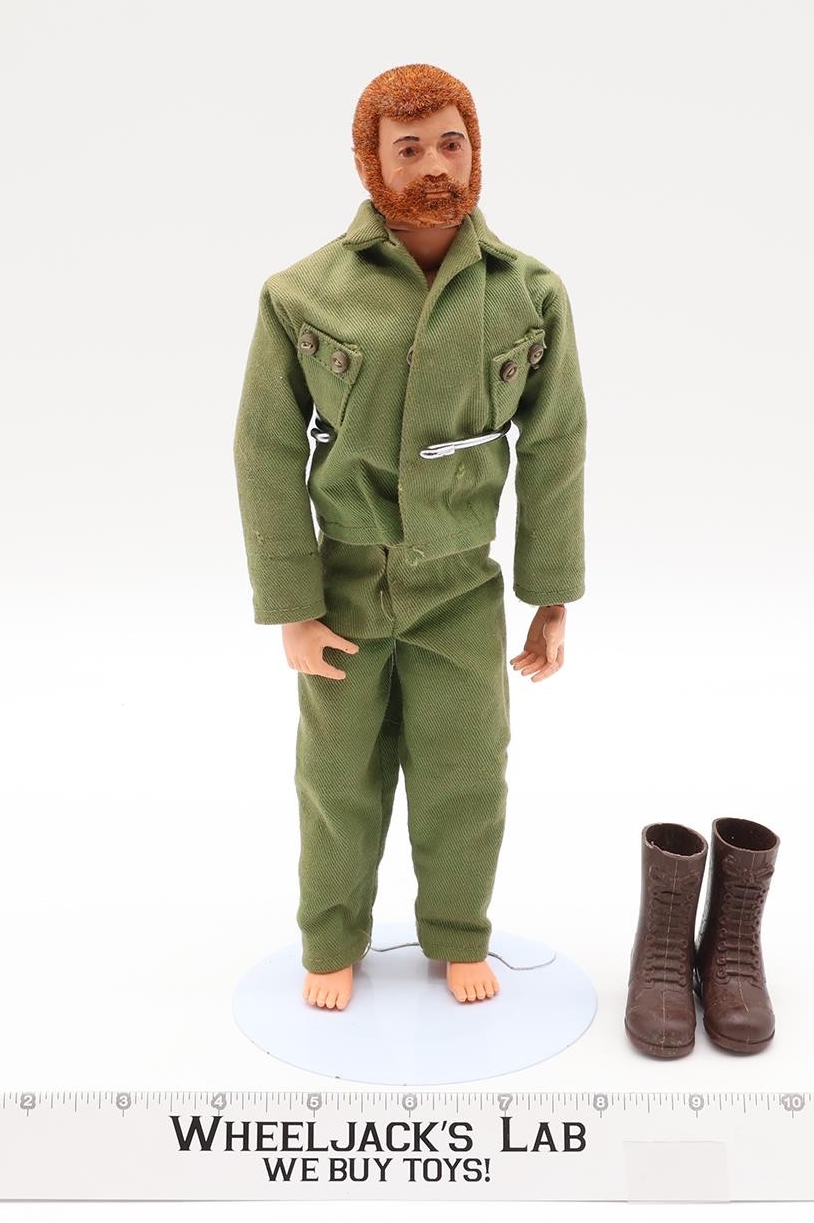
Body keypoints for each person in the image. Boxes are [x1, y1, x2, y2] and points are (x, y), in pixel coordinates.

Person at [233, 63, 587, 1011]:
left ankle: (460, 930)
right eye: (410, 147)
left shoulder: (529, 294)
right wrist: (293, 606)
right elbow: (266, 450)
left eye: (451, 142)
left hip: (462, 585)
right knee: (336, 778)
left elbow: (555, 443)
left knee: (467, 771)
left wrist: (550, 596)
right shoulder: (305, 294)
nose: (435, 165)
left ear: (476, 150)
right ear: (370, 162)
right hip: (346, 584)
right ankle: (330, 937)